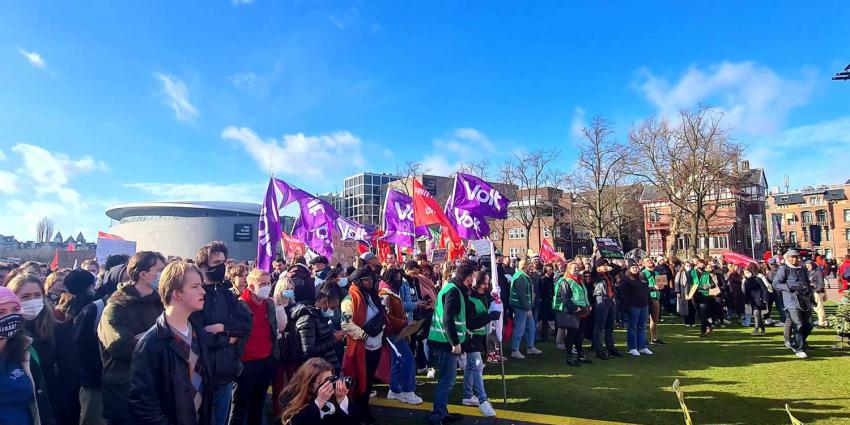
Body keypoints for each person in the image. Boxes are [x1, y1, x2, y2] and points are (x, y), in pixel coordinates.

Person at [128, 261, 214, 425]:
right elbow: (145, 406)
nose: (203, 291)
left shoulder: (198, 334)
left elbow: (205, 391)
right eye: (195, 286)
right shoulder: (151, 343)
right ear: (177, 294)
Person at [98, 251, 166, 425]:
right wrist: (155, 337)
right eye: (160, 270)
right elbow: (122, 347)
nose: (164, 275)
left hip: (154, 393)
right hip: (124, 395)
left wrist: (143, 338)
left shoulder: (160, 305)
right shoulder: (115, 307)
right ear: (143, 274)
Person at [194, 242, 253, 425]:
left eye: (223, 262)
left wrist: (222, 328)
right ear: (203, 266)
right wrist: (228, 338)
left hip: (226, 371)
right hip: (202, 374)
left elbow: (245, 324)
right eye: (216, 262)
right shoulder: (197, 295)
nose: (221, 266)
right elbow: (200, 334)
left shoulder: (227, 295)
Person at [9, 272, 74, 425]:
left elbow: (70, 371)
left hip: (53, 408)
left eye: (37, 295)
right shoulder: (7, 333)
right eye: (25, 296)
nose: (33, 301)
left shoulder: (58, 330)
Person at [427, 260, 476, 425]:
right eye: (472, 276)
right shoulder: (454, 291)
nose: (473, 280)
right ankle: (437, 417)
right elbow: (448, 319)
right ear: (467, 277)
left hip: (443, 341)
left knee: (447, 380)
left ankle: (442, 413)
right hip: (445, 343)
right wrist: (455, 343)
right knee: (447, 381)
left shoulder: (451, 288)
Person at [0, 286, 56, 425]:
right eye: (1, 312)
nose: (10, 317)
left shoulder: (26, 350)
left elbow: (40, 401)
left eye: (15, 310)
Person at [231, 268, 278, 425]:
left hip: (266, 362)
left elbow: (273, 330)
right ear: (251, 286)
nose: (267, 287)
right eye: (262, 284)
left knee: (258, 406)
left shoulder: (269, 304)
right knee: (238, 408)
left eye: (269, 283)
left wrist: (273, 358)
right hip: (245, 365)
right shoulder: (239, 306)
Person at [341, 268, 385, 425]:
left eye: (370, 279)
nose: (370, 282)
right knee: (360, 383)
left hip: (376, 345)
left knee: (369, 381)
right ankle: (359, 413)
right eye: (366, 280)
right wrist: (364, 336)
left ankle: (365, 409)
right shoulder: (349, 300)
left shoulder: (371, 296)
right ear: (357, 282)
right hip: (361, 347)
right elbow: (346, 324)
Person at [378, 268, 422, 405]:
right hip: (392, 331)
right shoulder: (385, 293)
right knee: (407, 358)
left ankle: (395, 389)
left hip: (397, 330)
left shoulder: (391, 291)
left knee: (397, 360)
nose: (399, 281)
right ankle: (407, 390)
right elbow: (386, 317)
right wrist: (404, 323)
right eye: (397, 278)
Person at [460, 270, 498, 417]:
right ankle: (483, 400)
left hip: (479, 336)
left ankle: (467, 395)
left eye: (487, 283)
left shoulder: (483, 296)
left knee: (471, 366)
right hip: (470, 336)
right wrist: (489, 316)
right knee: (477, 365)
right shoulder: (470, 297)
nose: (486, 285)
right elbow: (472, 322)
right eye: (484, 282)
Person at [279, 358, 359, 425]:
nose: (329, 384)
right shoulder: (292, 395)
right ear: (310, 383)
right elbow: (295, 422)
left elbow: (354, 421)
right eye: (325, 381)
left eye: (331, 379)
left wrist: (341, 400)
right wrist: (319, 402)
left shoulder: (333, 396)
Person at [290, 280, 342, 369]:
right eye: (333, 307)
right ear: (325, 302)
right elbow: (308, 350)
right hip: (316, 370)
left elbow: (321, 337)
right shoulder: (307, 319)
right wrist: (333, 339)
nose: (334, 311)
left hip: (326, 366)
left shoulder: (320, 315)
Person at [773, 250, 813, 359]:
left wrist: (811, 296)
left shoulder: (802, 269)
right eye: (793, 257)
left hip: (804, 299)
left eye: (797, 257)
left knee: (809, 324)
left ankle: (797, 341)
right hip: (791, 300)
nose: (795, 259)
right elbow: (776, 284)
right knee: (798, 324)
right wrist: (790, 288)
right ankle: (799, 349)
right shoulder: (784, 269)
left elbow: (807, 283)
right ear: (787, 258)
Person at [553, 261, 591, 366]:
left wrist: (588, 305)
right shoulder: (565, 281)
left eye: (577, 268)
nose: (577, 269)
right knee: (571, 335)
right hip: (573, 312)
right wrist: (575, 308)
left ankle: (580, 355)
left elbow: (584, 294)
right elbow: (566, 298)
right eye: (574, 268)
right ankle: (569, 357)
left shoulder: (580, 280)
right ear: (568, 269)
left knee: (580, 335)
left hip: (582, 311)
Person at [508, 259, 542, 359]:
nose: (531, 267)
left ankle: (530, 347)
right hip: (521, 307)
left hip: (526, 307)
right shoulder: (520, 278)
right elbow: (521, 295)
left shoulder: (523, 276)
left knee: (531, 327)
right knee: (519, 329)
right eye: (529, 265)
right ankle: (515, 350)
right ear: (524, 267)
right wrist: (527, 308)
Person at [590, 258, 621, 360]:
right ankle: (599, 349)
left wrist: (611, 262)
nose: (606, 267)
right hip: (601, 299)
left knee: (610, 326)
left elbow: (618, 268)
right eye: (603, 265)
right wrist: (595, 257)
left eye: (606, 265)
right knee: (599, 326)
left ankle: (611, 348)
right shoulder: (596, 275)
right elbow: (593, 269)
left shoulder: (609, 274)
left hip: (611, 300)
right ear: (598, 267)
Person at [620, 261, 652, 357]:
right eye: (633, 267)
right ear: (629, 269)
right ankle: (632, 347)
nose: (635, 269)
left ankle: (642, 346)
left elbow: (646, 291)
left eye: (636, 267)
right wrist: (626, 307)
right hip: (633, 306)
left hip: (644, 305)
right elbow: (624, 295)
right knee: (632, 327)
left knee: (642, 326)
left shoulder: (642, 278)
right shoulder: (626, 280)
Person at [640, 258, 664, 345]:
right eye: (647, 261)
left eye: (650, 260)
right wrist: (653, 287)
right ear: (644, 264)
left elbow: (662, 284)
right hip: (647, 297)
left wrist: (661, 286)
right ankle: (643, 339)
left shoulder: (657, 272)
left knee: (654, 319)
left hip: (656, 296)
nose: (650, 262)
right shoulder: (642, 273)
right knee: (644, 319)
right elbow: (642, 287)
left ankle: (654, 338)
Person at [743, 263, 769, 336]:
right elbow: (746, 293)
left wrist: (765, 298)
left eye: (747, 272)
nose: (746, 274)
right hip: (752, 300)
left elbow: (764, 289)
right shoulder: (746, 281)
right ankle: (763, 329)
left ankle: (756, 329)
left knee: (756, 314)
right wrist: (746, 302)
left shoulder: (758, 279)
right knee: (758, 316)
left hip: (759, 299)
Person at [806, 260, 828, 328]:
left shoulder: (818, 271)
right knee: (816, 307)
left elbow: (821, 282)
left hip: (817, 292)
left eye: (809, 265)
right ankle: (822, 321)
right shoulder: (810, 271)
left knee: (819, 307)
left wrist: (817, 290)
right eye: (807, 266)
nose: (808, 267)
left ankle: (823, 323)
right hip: (813, 291)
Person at [674, 262, 695, 326]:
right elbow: (676, 282)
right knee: (685, 307)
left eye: (689, 265)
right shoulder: (680, 273)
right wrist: (678, 291)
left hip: (692, 291)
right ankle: (687, 321)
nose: (688, 267)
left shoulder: (693, 273)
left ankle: (692, 322)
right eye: (687, 265)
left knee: (692, 307)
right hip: (683, 291)